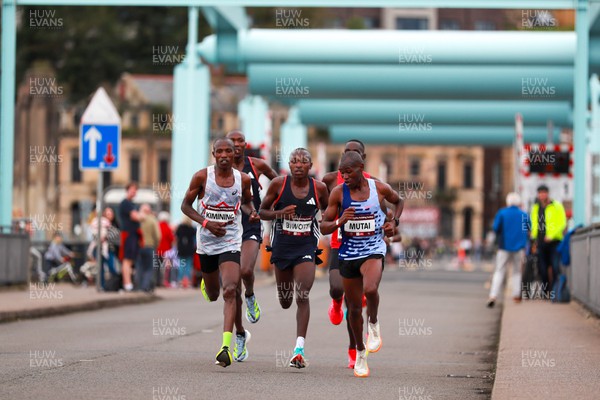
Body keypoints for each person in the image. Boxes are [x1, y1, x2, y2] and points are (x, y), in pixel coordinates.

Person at [321, 151, 402, 378]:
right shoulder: (338, 193)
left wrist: (393, 223)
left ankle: (374, 324)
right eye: (342, 173)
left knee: (371, 289)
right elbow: (324, 226)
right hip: (347, 254)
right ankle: (359, 352)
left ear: (361, 168)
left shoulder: (379, 188)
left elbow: (399, 201)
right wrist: (340, 221)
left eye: (349, 172)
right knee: (354, 309)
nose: (345, 177)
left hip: (373, 249)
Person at [181, 137, 260, 368]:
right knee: (214, 293)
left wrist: (252, 212)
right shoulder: (201, 177)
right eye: (220, 151)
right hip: (206, 241)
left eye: (229, 151)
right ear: (213, 153)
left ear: (235, 153)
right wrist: (206, 223)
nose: (225, 155)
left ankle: (225, 347)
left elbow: (246, 203)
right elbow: (185, 206)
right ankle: (209, 281)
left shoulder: (243, 180)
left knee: (231, 290)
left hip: (231, 240)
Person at [259, 148, 328, 368]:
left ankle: (299, 349)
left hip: (306, 246)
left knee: (303, 294)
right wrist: (280, 214)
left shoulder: (319, 188)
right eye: (294, 162)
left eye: (303, 162)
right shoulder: (279, 184)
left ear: (310, 166)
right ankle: (286, 298)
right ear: (289, 165)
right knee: (286, 301)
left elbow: (328, 212)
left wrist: (331, 222)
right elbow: (262, 212)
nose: (298, 165)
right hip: (282, 247)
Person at [322, 139, 381, 368]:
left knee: (355, 304)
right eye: (346, 152)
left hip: (366, 248)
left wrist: (389, 226)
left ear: (362, 162)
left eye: (355, 153)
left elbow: (385, 210)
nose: (349, 156)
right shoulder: (330, 181)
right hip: (340, 245)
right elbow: (321, 210)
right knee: (337, 290)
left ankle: (353, 350)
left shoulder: (373, 185)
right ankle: (335, 302)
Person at [227, 130, 278, 324]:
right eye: (233, 140)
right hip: (227, 228)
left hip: (251, 225)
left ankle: (250, 296)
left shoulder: (256, 165)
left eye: (241, 141)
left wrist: (273, 203)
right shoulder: (218, 170)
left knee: (246, 271)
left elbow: (278, 183)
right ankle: (239, 331)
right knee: (231, 287)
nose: (237, 144)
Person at [487, 193, 530, 308]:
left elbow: (496, 228)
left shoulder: (502, 213)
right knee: (517, 271)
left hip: (504, 246)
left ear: (508, 202)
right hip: (519, 247)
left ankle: (493, 295)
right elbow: (529, 228)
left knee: (500, 270)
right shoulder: (523, 215)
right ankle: (516, 295)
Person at [530, 184, 567, 297]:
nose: (542, 195)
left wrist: (551, 235)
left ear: (547, 193)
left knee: (555, 266)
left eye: (544, 192)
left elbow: (562, 223)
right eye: (540, 193)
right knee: (542, 269)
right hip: (540, 242)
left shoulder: (557, 206)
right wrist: (533, 237)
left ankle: (556, 292)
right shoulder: (535, 208)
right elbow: (534, 224)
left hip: (554, 242)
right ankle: (546, 292)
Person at [118, 182, 144, 292]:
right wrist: (142, 214)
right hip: (128, 234)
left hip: (133, 235)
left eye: (135, 190)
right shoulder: (126, 203)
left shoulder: (131, 203)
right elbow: (136, 217)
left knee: (130, 260)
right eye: (132, 189)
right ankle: (127, 284)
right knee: (127, 260)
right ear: (127, 190)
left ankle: (129, 283)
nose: (134, 192)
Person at [137, 204, 161, 292]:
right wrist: (156, 244)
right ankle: (145, 287)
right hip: (150, 246)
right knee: (149, 268)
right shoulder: (152, 220)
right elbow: (158, 235)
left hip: (139, 247)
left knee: (140, 267)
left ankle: (139, 287)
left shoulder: (138, 220)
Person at [175, 216, 196, 288]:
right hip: (189, 249)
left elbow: (176, 237)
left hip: (181, 249)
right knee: (188, 266)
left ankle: (180, 281)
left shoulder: (180, 228)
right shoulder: (192, 229)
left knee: (181, 265)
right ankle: (187, 281)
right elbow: (194, 240)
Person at [156, 211, 174, 288]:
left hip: (157, 249)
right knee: (166, 267)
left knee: (157, 266)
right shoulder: (167, 227)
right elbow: (171, 238)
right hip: (166, 250)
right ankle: (165, 281)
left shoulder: (157, 225)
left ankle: (157, 281)